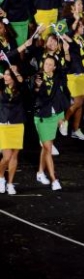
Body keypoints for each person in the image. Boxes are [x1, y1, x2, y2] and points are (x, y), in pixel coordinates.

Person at [33, 55, 69, 191]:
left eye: (50, 64)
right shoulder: (38, 77)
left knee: (46, 147)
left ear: (54, 67)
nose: (47, 67)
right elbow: (33, 94)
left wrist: (61, 116)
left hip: (54, 116)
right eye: (45, 64)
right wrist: (36, 88)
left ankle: (40, 173)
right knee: (48, 148)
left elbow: (60, 97)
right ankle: (54, 179)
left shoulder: (58, 78)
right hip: (41, 117)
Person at [0, 65, 26, 195]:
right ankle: (0, 178)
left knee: (14, 156)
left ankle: (10, 183)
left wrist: (16, 72)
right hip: (4, 124)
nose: (5, 76)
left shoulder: (20, 89)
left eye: (8, 75)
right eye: (4, 74)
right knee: (7, 157)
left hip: (17, 124)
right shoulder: (1, 86)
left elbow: (23, 84)